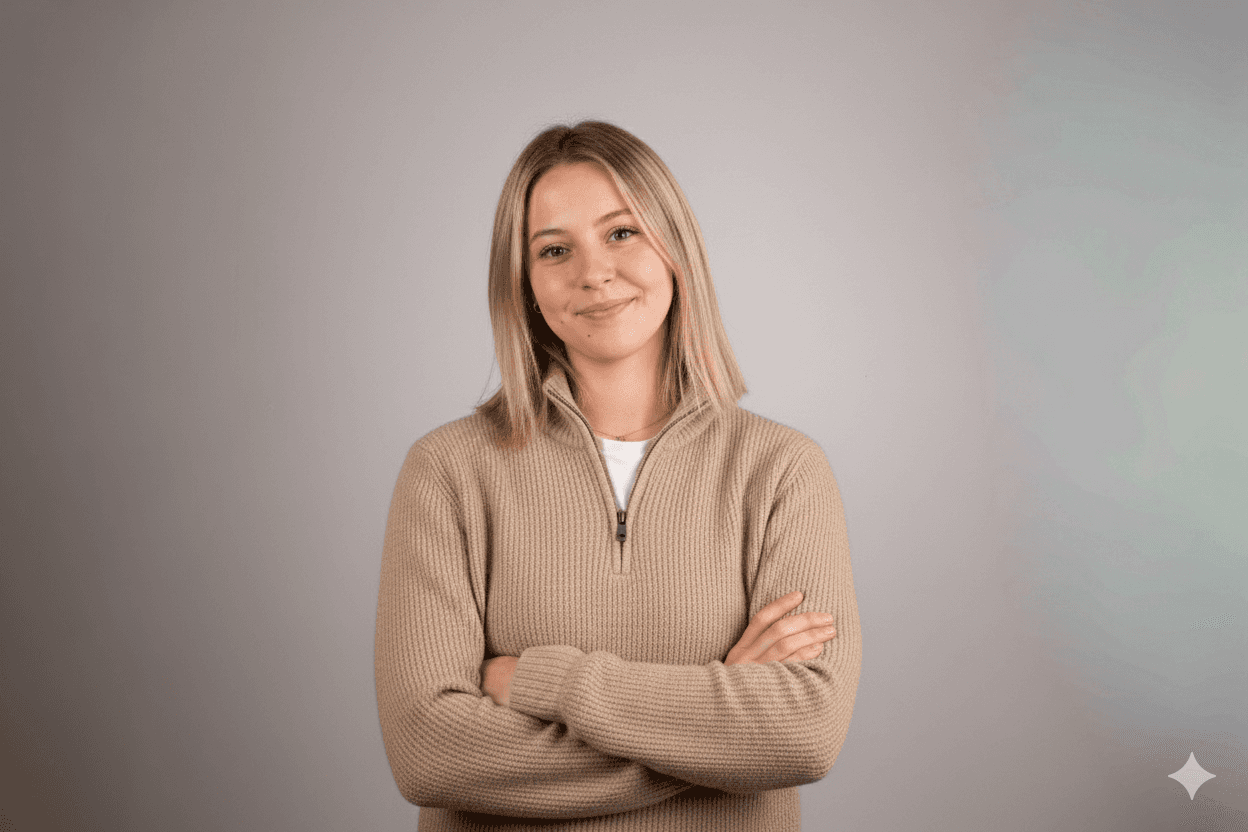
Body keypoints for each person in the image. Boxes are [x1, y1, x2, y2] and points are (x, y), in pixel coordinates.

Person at [374, 121, 862, 831]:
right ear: (525, 283)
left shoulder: (782, 471)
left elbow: (803, 734)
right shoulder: (448, 471)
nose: (593, 272)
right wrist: (722, 729)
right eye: (554, 249)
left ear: (676, 247)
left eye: (622, 233)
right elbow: (429, 756)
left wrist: (549, 683)